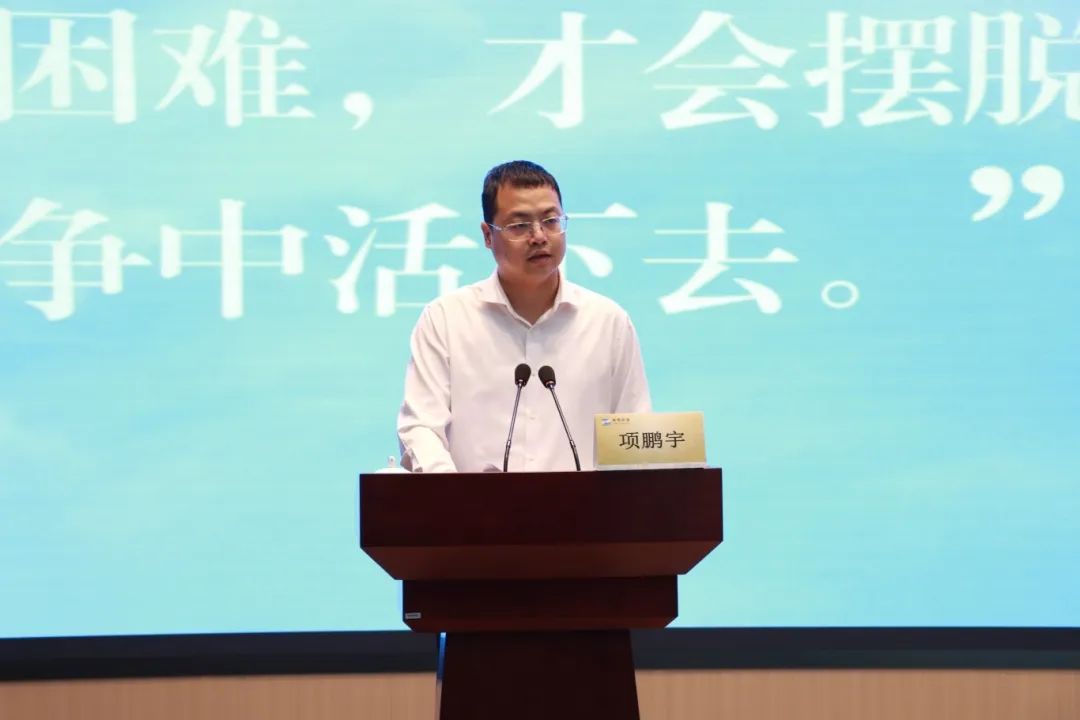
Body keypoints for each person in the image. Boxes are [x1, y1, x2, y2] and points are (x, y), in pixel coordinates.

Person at [397, 160, 651, 472]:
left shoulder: (608, 322)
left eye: (551, 221)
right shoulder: (445, 319)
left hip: (585, 505)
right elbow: (421, 427)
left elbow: (634, 432)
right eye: (519, 226)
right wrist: (455, 494)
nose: (539, 236)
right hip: (470, 504)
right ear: (487, 235)